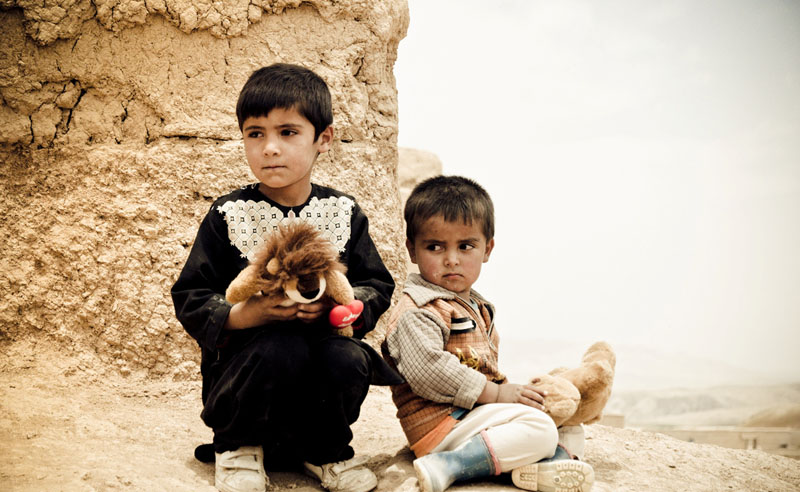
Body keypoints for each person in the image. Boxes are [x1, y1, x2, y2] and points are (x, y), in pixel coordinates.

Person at [171, 63, 402, 492]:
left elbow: (376, 285)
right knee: (279, 347)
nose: (270, 148)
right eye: (255, 134)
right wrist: (246, 315)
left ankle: (324, 450)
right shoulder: (228, 215)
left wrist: (338, 310)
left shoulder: (343, 213)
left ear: (323, 139)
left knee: (348, 358)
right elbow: (191, 294)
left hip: (321, 363)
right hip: (248, 370)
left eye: (288, 132)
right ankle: (239, 448)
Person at [381, 175, 595, 492]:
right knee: (540, 428)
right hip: (442, 425)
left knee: (568, 422)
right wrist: (497, 395)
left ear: (487, 248)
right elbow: (429, 371)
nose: (451, 259)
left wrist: (517, 396)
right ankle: (448, 465)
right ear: (412, 250)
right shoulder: (419, 310)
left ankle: (541, 466)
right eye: (434, 247)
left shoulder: (475, 306)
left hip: (473, 417)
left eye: (465, 246)